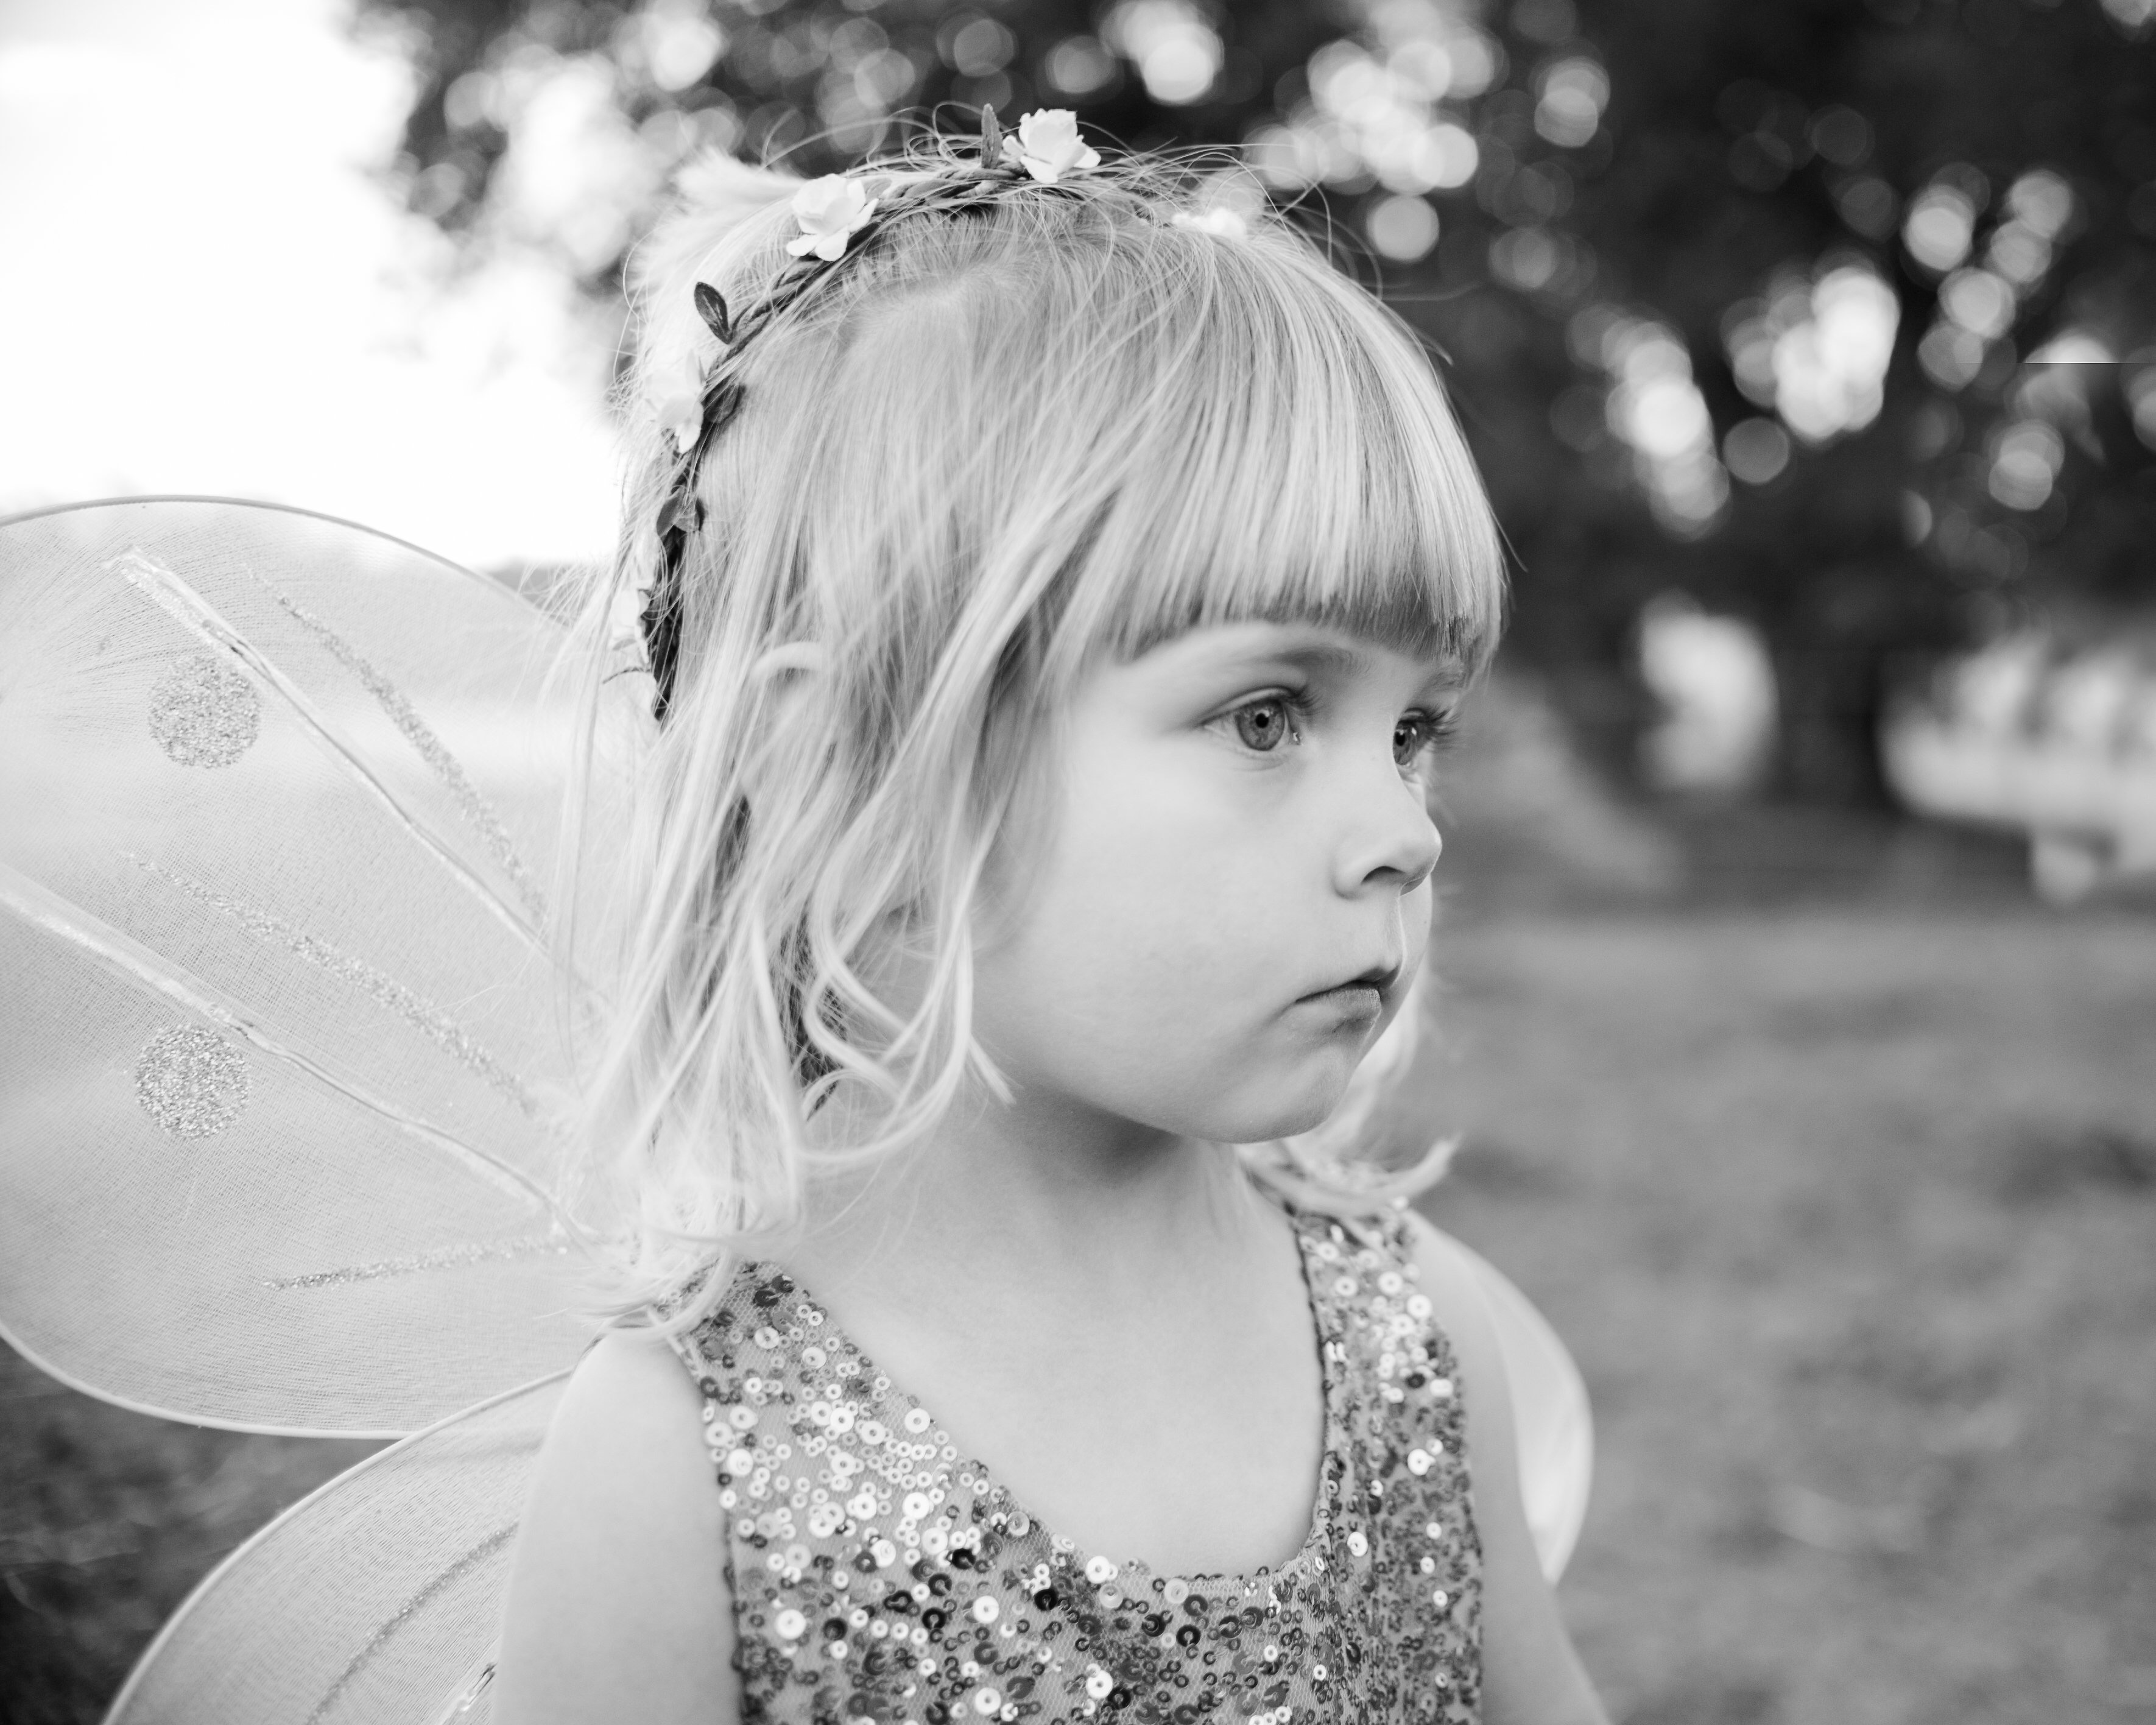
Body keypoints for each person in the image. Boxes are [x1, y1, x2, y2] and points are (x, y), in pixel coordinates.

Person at [492, 111, 1607, 1725]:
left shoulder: (1409, 1330)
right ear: (853, 768)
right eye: (1267, 714)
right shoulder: (690, 1464)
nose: (1399, 834)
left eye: (1413, 728)